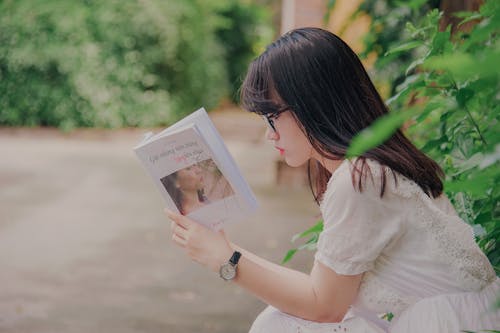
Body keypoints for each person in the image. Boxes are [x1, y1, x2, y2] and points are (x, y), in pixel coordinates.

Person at [166, 27, 499, 332]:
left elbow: (324, 307)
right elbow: (320, 289)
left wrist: (226, 261)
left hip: (449, 326)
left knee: (278, 325)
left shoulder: (360, 179)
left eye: (272, 118)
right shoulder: (372, 166)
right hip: (461, 319)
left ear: (312, 103)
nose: (269, 135)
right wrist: (226, 250)